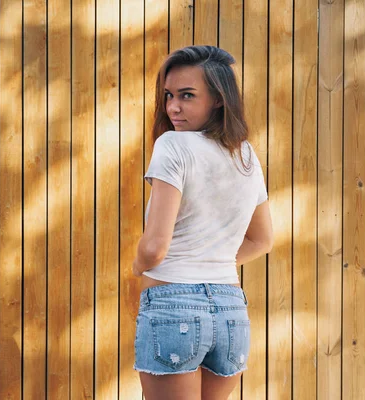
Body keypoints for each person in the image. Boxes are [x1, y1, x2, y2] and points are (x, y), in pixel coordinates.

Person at [132, 45, 274, 400]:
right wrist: (213, 262)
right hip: (230, 309)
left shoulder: (173, 146)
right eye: (168, 95)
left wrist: (138, 265)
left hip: (173, 305)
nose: (172, 107)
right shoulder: (245, 154)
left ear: (218, 100)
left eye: (187, 96)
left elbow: (153, 247)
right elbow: (261, 240)